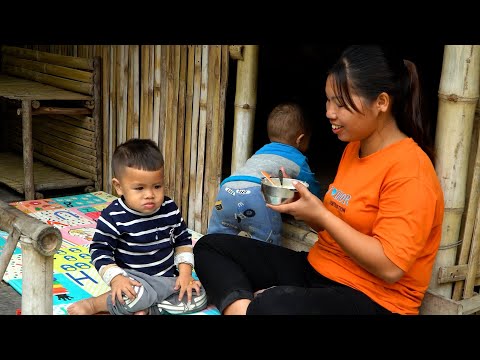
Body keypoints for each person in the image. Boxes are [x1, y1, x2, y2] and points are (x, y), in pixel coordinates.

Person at [193, 45, 445, 315]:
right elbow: (336, 224)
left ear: (381, 102)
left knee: (272, 305)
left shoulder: (411, 169)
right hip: (320, 270)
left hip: (374, 299)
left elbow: (390, 267)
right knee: (211, 247)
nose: (329, 112)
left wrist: (322, 216)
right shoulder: (353, 148)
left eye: (340, 102)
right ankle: (244, 310)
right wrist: (306, 208)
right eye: (328, 100)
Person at [67, 138, 207, 315]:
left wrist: (185, 275)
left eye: (157, 186)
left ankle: (147, 307)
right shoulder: (113, 216)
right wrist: (117, 278)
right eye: (139, 188)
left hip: (167, 280)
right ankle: (95, 304)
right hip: (133, 281)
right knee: (131, 294)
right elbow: (99, 251)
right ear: (119, 186)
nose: (150, 195)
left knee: (199, 295)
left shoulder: (170, 208)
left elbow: (183, 242)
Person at [207, 102, 321, 246]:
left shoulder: (260, 152)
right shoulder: (299, 160)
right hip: (257, 195)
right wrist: (320, 204)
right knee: (265, 247)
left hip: (226, 189)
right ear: (300, 139)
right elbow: (309, 189)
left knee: (215, 242)